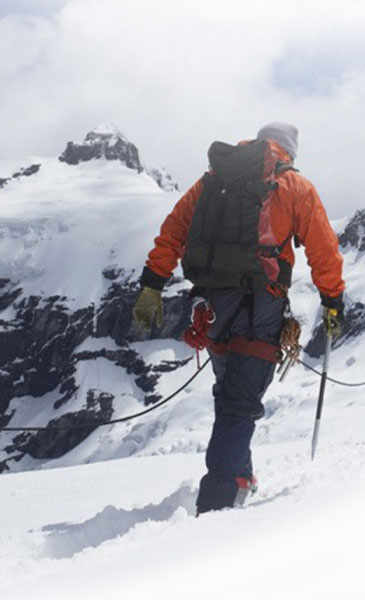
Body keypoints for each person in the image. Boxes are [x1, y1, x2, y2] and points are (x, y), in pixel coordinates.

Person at [132, 122, 345, 514]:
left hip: (213, 304)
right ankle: (216, 505)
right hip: (259, 305)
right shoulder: (295, 186)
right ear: (289, 152)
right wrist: (333, 301)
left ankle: (240, 478)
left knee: (230, 389)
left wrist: (153, 283)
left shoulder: (214, 178)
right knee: (239, 402)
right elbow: (323, 249)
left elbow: (174, 231)